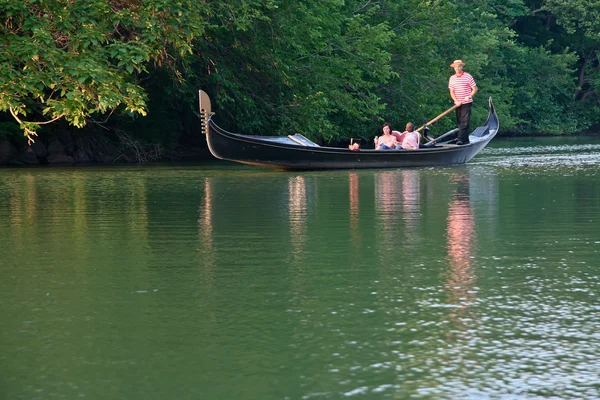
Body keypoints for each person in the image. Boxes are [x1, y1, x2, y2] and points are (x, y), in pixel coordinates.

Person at [448, 59, 478, 145]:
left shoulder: (468, 76)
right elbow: (452, 92)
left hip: (466, 102)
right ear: (454, 68)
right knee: (460, 122)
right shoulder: (452, 78)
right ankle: (465, 139)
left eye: (459, 66)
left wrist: (470, 95)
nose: (457, 68)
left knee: (465, 121)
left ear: (462, 67)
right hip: (457, 103)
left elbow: (475, 89)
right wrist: (456, 101)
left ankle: (460, 139)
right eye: (456, 66)